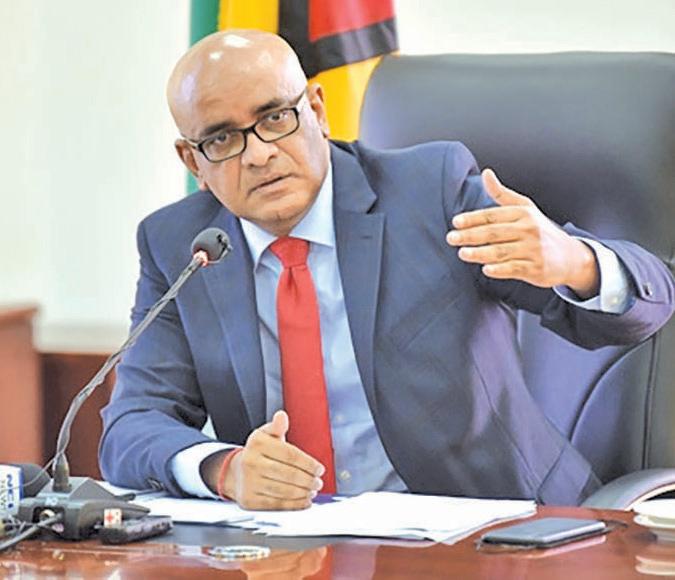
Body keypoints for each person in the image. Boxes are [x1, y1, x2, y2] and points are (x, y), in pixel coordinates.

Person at [100, 29, 675, 510]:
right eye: (222, 138)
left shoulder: (430, 192)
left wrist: (574, 262)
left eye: (275, 117)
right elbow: (131, 425)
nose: (258, 153)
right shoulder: (182, 246)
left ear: (317, 111)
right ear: (193, 161)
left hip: (498, 534)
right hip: (294, 549)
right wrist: (224, 470)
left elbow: (650, 306)